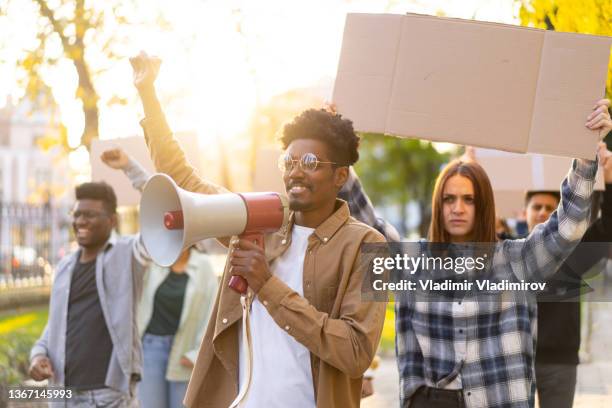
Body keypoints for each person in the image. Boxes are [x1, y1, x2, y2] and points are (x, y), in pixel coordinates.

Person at [131, 51, 387, 407]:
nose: (295, 171)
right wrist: (148, 97)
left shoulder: (368, 246)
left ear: (340, 176)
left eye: (310, 162)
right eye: (290, 161)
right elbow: (184, 179)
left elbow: (356, 351)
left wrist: (266, 284)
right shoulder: (257, 220)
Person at [396, 98, 610, 408]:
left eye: (469, 199)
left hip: (540, 372)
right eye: (449, 199)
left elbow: (568, 224)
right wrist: (337, 151)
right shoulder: (414, 262)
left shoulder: (516, 259)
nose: (457, 208)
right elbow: (369, 224)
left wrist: (586, 153)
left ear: (483, 207)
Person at [101, 148, 220, 408]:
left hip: (185, 354)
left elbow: (213, 313)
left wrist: (195, 353)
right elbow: (157, 199)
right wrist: (129, 166)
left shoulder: (203, 269)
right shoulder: (153, 262)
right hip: (150, 350)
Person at [29, 181, 150, 407]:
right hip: (64, 396)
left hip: (108, 397)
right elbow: (55, 326)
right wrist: (37, 355)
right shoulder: (65, 266)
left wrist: (130, 169)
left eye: (90, 215)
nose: (80, 221)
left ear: (112, 220)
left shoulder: (128, 255)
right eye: (76, 214)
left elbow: (161, 221)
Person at [521, 142, 612, 408]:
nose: (541, 212)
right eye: (535, 206)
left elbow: (607, 230)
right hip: (518, 359)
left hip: (560, 362)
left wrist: (609, 178)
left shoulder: (575, 254)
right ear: (523, 212)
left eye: (549, 207)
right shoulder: (512, 252)